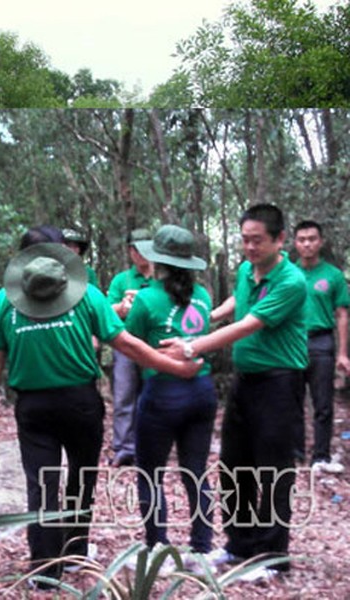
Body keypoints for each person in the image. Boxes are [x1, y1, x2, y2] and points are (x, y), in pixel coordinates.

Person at [0, 232, 201, 589]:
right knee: (82, 478)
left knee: (42, 484)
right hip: (80, 403)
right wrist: (176, 366)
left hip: (33, 406)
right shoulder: (87, 296)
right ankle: (76, 551)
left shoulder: (5, 301)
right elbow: (126, 344)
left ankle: (46, 570)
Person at [161, 204, 307, 579]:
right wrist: (206, 318)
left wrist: (195, 346)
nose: (249, 247)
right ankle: (240, 545)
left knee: (273, 470)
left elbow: (250, 324)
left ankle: (273, 556)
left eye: (257, 240)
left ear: (280, 240)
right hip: (247, 381)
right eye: (244, 239)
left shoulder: (291, 281)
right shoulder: (246, 270)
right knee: (234, 464)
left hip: (280, 381)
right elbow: (238, 306)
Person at [124, 225, 217, 565]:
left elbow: (129, 344)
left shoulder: (146, 297)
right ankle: (202, 548)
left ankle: (158, 546)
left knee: (150, 472)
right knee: (195, 471)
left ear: (157, 260)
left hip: (161, 392)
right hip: (202, 391)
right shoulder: (204, 296)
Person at [293, 220, 349, 473]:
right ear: (294, 243)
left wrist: (343, 353)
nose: (307, 243)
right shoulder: (287, 273)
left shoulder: (333, 275)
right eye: (302, 239)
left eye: (312, 238)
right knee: (291, 401)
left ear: (321, 242)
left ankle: (321, 457)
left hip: (321, 341)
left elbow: (341, 315)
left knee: (323, 404)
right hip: (291, 343)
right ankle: (294, 455)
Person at [106, 228, 154, 467]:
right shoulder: (121, 280)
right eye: (136, 249)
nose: (141, 254)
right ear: (130, 251)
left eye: (146, 249)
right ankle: (123, 447)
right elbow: (105, 311)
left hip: (154, 344)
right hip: (125, 343)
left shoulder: (162, 278)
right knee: (124, 395)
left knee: (153, 394)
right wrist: (122, 307)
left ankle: (151, 446)